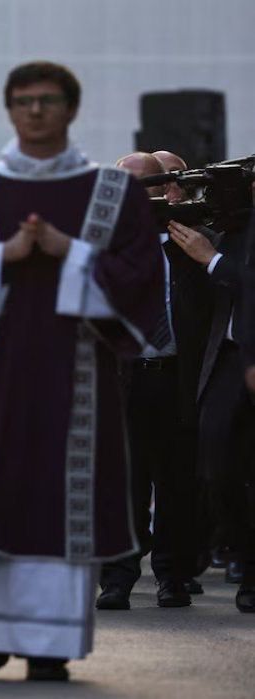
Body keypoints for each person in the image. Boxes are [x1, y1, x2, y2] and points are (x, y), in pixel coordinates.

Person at [0, 61, 164, 680]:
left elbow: (141, 282)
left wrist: (69, 252)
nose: (35, 111)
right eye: (23, 100)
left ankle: (50, 645)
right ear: (9, 109)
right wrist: (6, 255)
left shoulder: (112, 192)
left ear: (70, 109)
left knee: (60, 499)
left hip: (74, 380)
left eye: (47, 100)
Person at [94, 153, 210, 610]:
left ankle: (172, 575)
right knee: (123, 483)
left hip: (176, 375)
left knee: (178, 482)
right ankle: (118, 578)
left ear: (169, 189)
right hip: (122, 377)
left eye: (146, 184)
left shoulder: (189, 243)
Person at [172, 166, 255, 612]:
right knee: (217, 469)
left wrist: (213, 260)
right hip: (227, 361)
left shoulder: (218, 243)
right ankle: (247, 559)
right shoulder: (229, 225)